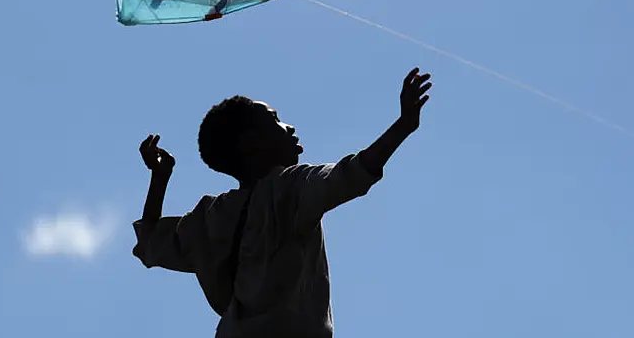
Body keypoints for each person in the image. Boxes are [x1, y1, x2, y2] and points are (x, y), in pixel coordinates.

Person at [132, 67, 433, 338]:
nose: (288, 126)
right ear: (251, 143)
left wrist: (159, 180)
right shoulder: (290, 186)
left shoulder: (209, 217)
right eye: (275, 119)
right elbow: (352, 174)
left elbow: (150, 243)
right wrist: (403, 125)